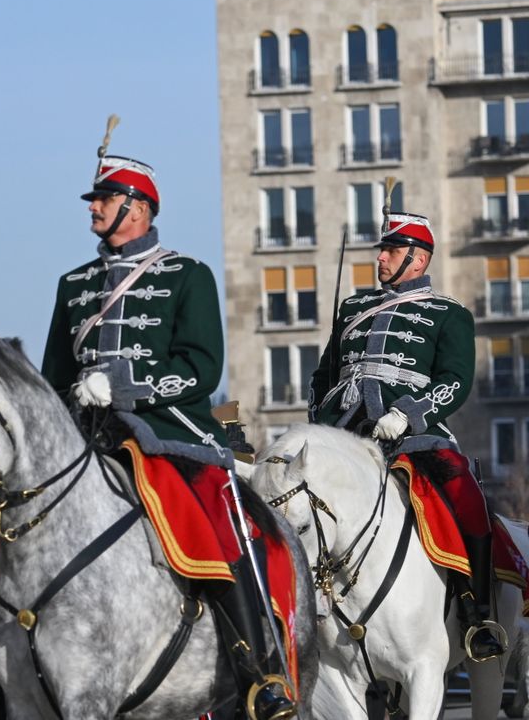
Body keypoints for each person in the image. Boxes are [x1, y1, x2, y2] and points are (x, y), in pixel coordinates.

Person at [41, 150, 295, 720]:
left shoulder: (186, 274)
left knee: (220, 528)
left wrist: (127, 389)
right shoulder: (74, 284)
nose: (93, 210)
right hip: (90, 440)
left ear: (138, 207)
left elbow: (201, 368)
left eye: (104, 200)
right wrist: (72, 399)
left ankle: (258, 668)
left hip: (167, 434)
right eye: (95, 200)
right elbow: (53, 373)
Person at [308, 211, 505, 660]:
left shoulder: (449, 314)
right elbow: (324, 374)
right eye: (382, 249)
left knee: (464, 496)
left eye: (392, 250)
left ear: (418, 260)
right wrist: (318, 420)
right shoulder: (353, 309)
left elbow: (455, 380)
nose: (381, 257)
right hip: (344, 436)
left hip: (413, 438)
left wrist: (408, 414)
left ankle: (477, 613)